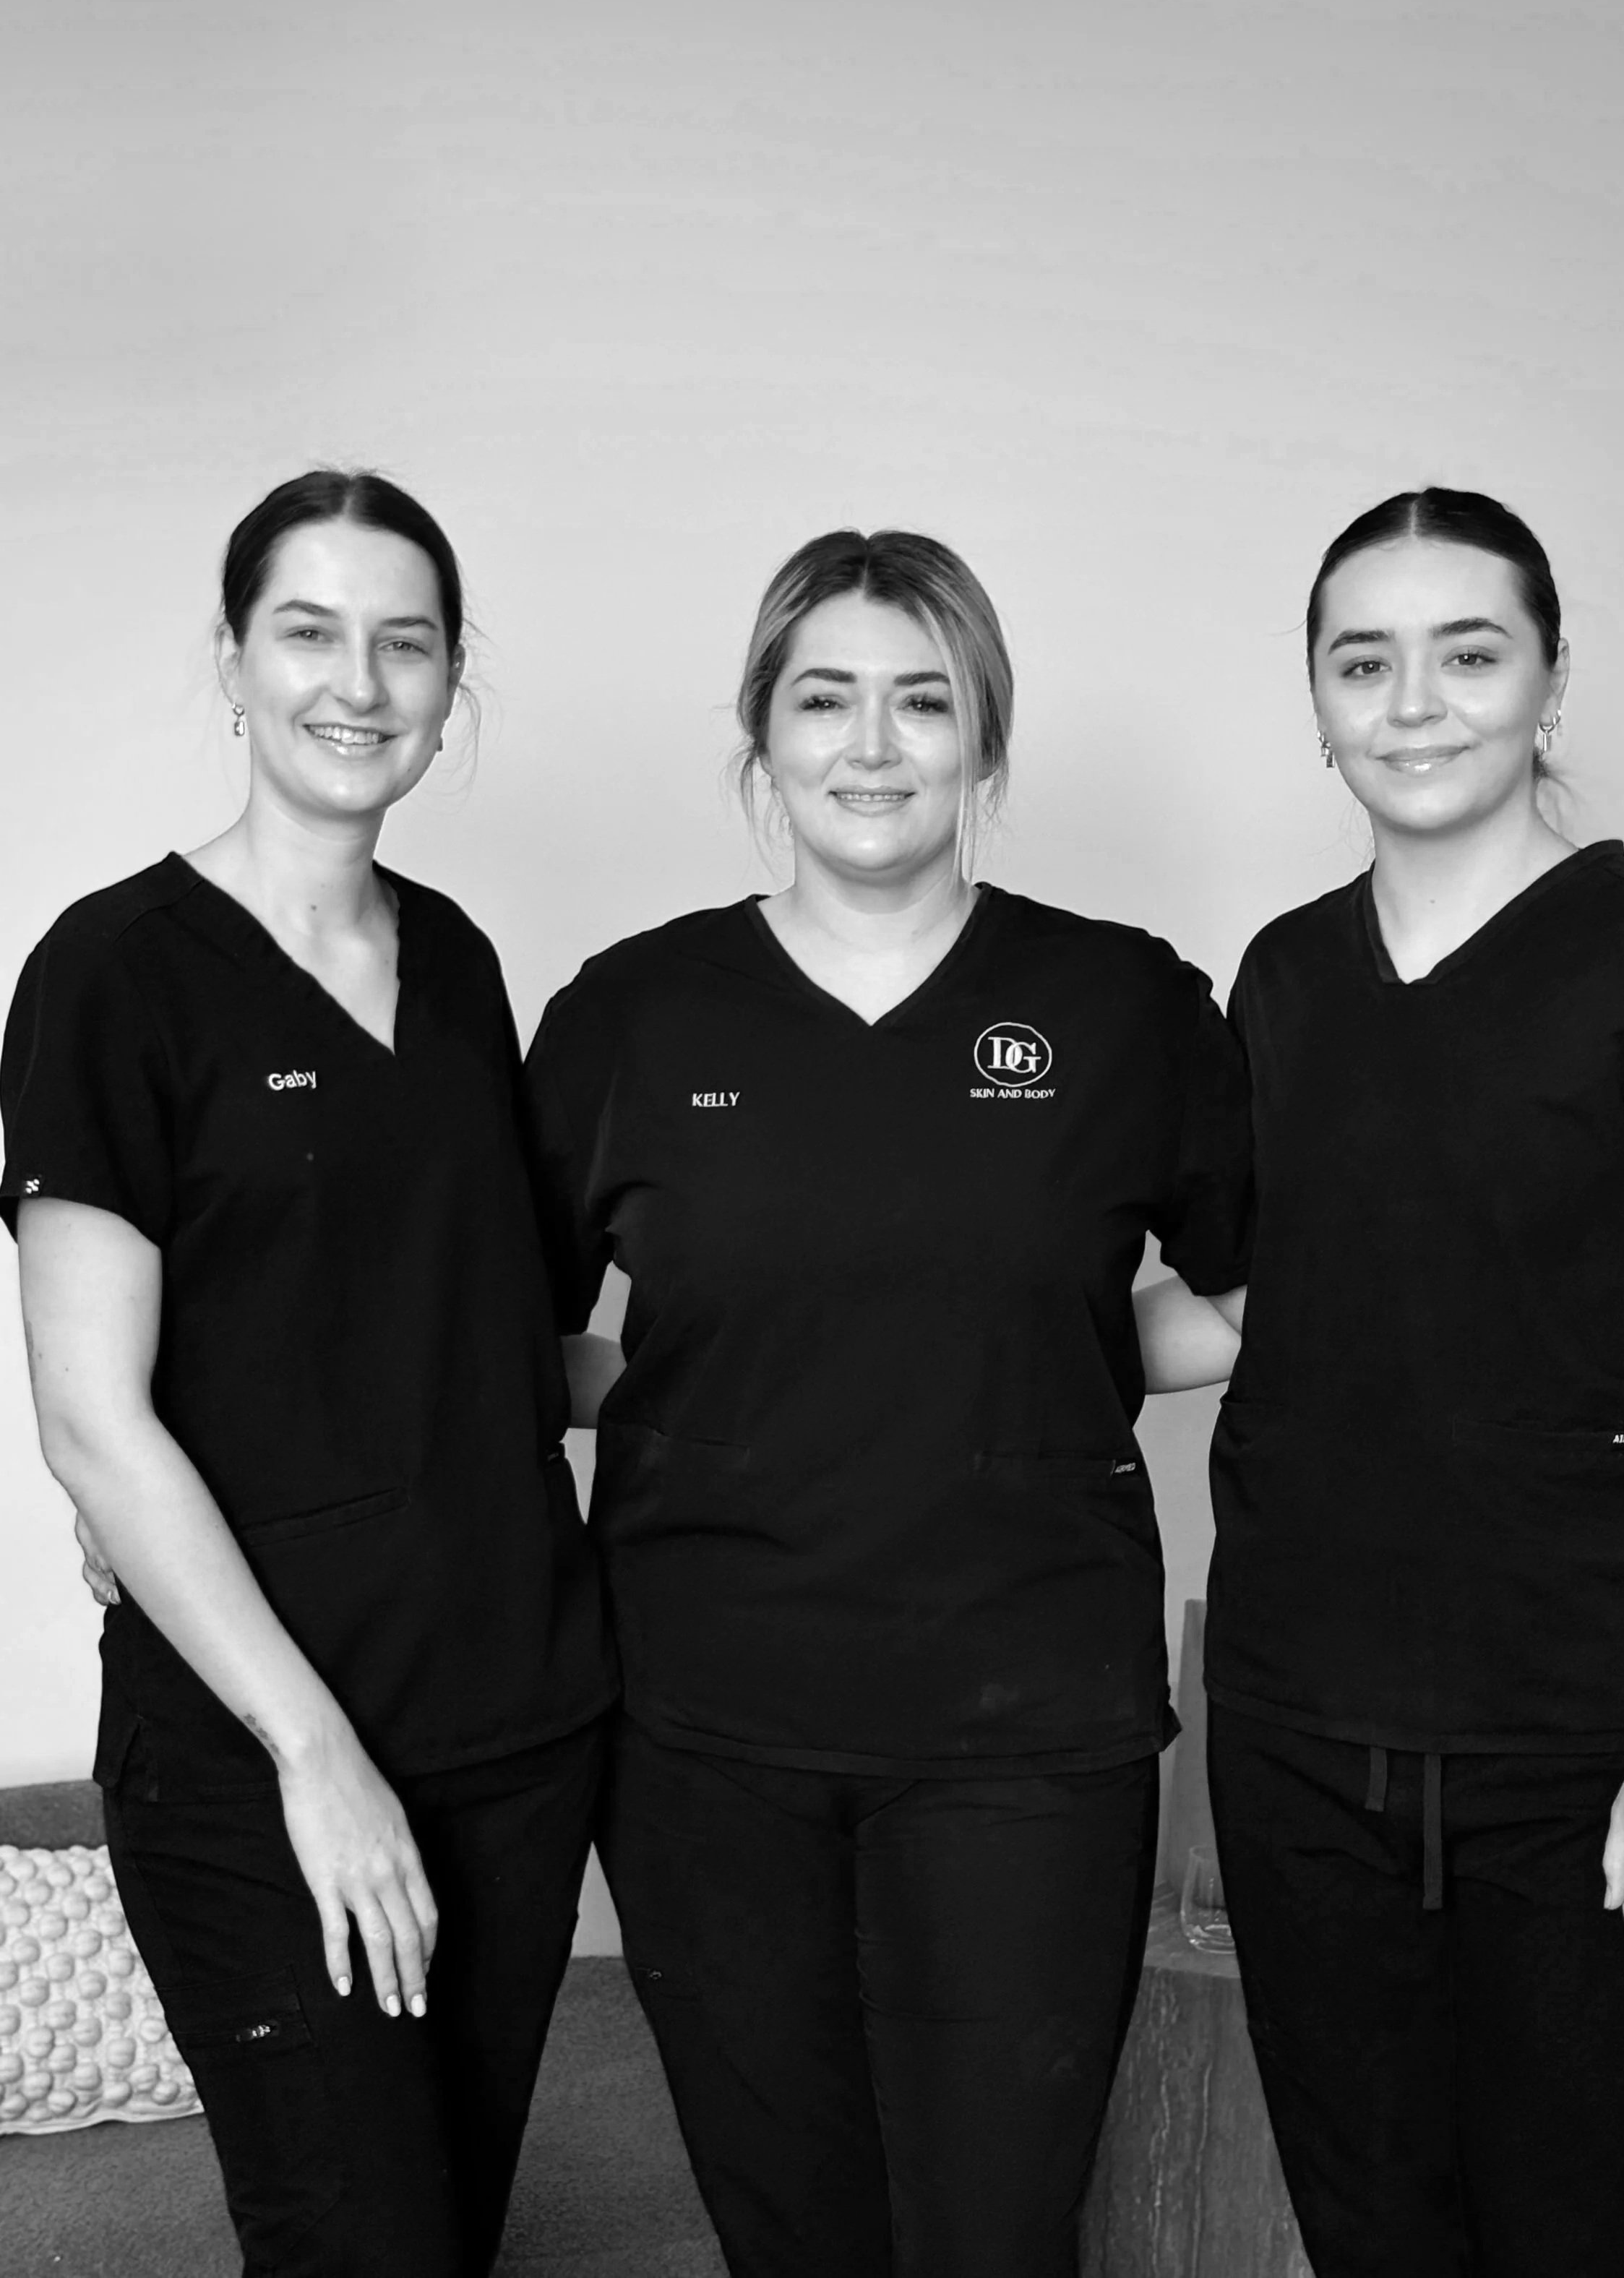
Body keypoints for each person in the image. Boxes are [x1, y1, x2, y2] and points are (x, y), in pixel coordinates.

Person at [521, 528, 1250, 2278]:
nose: (871, 743)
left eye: (923, 700)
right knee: (798, 2236)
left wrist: (1042, 1347)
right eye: (823, 697)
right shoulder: (628, 1013)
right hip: (703, 1729)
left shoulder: (1123, 1002)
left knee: (995, 2236)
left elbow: (1242, 1290)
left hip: (1028, 1731)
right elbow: (504, 1341)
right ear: (760, 737)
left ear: (985, 740)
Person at [1136, 487, 1624, 2276]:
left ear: (1548, 682)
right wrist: (918, 1326)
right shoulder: (1281, 978)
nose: (1412, 702)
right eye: (1364, 661)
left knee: (1586, 2234)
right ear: (1317, 699)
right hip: (1302, 1742)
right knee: (1374, 2232)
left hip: (1589, 1739)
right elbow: (1257, 1307)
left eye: (1466, 652)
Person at [1, 471, 609, 2276]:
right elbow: (91, 1419)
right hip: (266, 1761)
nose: (360, 680)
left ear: (448, 680)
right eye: (311, 630)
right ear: (234, 658)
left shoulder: (463, 965)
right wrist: (315, 1750)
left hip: (513, 1733)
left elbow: (482, 1346)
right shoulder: (115, 974)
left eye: (404, 641)